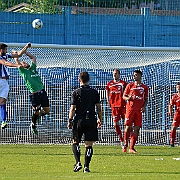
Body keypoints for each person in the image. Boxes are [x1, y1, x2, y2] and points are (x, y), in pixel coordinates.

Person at [68, 71, 102, 173]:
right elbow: (99, 108)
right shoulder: (95, 92)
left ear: (79, 80)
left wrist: (70, 120)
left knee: (75, 142)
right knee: (89, 144)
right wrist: (100, 119)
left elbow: (73, 108)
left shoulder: (76, 92)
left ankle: (78, 162)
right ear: (89, 80)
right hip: (91, 119)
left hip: (79, 120)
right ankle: (86, 167)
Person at [13, 50, 50, 135]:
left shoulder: (33, 68)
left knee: (47, 111)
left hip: (42, 92)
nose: (25, 63)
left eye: (25, 62)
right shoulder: (23, 72)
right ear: (22, 66)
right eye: (23, 63)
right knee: (36, 111)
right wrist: (16, 56)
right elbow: (17, 62)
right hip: (34, 94)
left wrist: (25, 52)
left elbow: (33, 57)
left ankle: (38, 116)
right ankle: (33, 125)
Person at [0, 42, 31, 129]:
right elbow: (6, 63)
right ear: (1, 50)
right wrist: (18, 65)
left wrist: (26, 47)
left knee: (2, 102)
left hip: (5, 82)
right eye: (5, 49)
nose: (6, 51)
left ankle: (3, 121)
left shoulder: (5, 55)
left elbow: (18, 55)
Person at [122, 70, 148, 153]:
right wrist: (128, 98)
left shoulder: (144, 87)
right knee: (128, 127)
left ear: (140, 76)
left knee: (137, 128)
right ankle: (125, 144)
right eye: (134, 75)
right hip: (130, 109)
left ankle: (131, 147)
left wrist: (144, 107)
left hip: (139, 110)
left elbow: (146, 99)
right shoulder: (130, 85)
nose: (134, 76)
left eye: (136, 75)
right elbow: (124, 96)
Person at [106, 68, 127, 146]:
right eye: (113, 73)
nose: (114, 75)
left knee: (127, 123)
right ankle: (121, 140)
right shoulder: (110, 84)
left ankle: (128, 139)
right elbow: (107, 92)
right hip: (114, 106)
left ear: (119, 74)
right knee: (115, 124)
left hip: (123, 106)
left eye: (116, 73)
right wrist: (108, 101)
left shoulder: (123, 83)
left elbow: (127, 92)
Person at [168, 82, 180, 147]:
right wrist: (170, 111)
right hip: (177, 114)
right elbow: (170, 105)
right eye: (177, 87)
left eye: (179, 87)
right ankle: (172, 143)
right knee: (173, 128)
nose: (178, 89)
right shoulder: (175, 96)